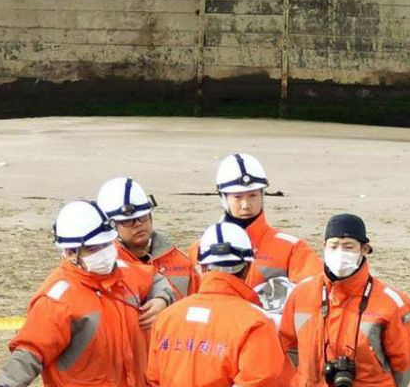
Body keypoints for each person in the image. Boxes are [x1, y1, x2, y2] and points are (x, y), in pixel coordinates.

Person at [0, 199, 176, 387]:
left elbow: (155, 279)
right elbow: (30, 352)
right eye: (93, 248)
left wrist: (161, 299)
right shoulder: (57, 300)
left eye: (107, 244)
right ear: (71, 253)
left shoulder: (125, 272)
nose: (105, 252)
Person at [279, 214, 410, 387]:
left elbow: (405, 364)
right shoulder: (301, 293)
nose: (340, 253)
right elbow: (288, 344)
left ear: (364, 249)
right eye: (334, 246)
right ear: (324, 247)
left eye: (348, 247)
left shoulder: (393, 303)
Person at [146, 222, 290, 387]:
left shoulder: (167, 317)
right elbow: (261, 380)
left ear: (202, 267)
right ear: (248, 266)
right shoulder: (255, 323)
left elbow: (154, 377)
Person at [188, 153, 321, 319]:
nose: (246, 205)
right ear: (223, 198)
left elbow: (315, 295)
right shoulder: (199, 248)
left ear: (262, 195)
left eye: (253, 195)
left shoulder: (292, 248)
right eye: (237, 197)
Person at [98, 176, 197, 301]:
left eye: (143, 216)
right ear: (111, 226)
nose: (138, 224)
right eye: (128, 221)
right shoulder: (104, 268)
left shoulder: (180, 261)